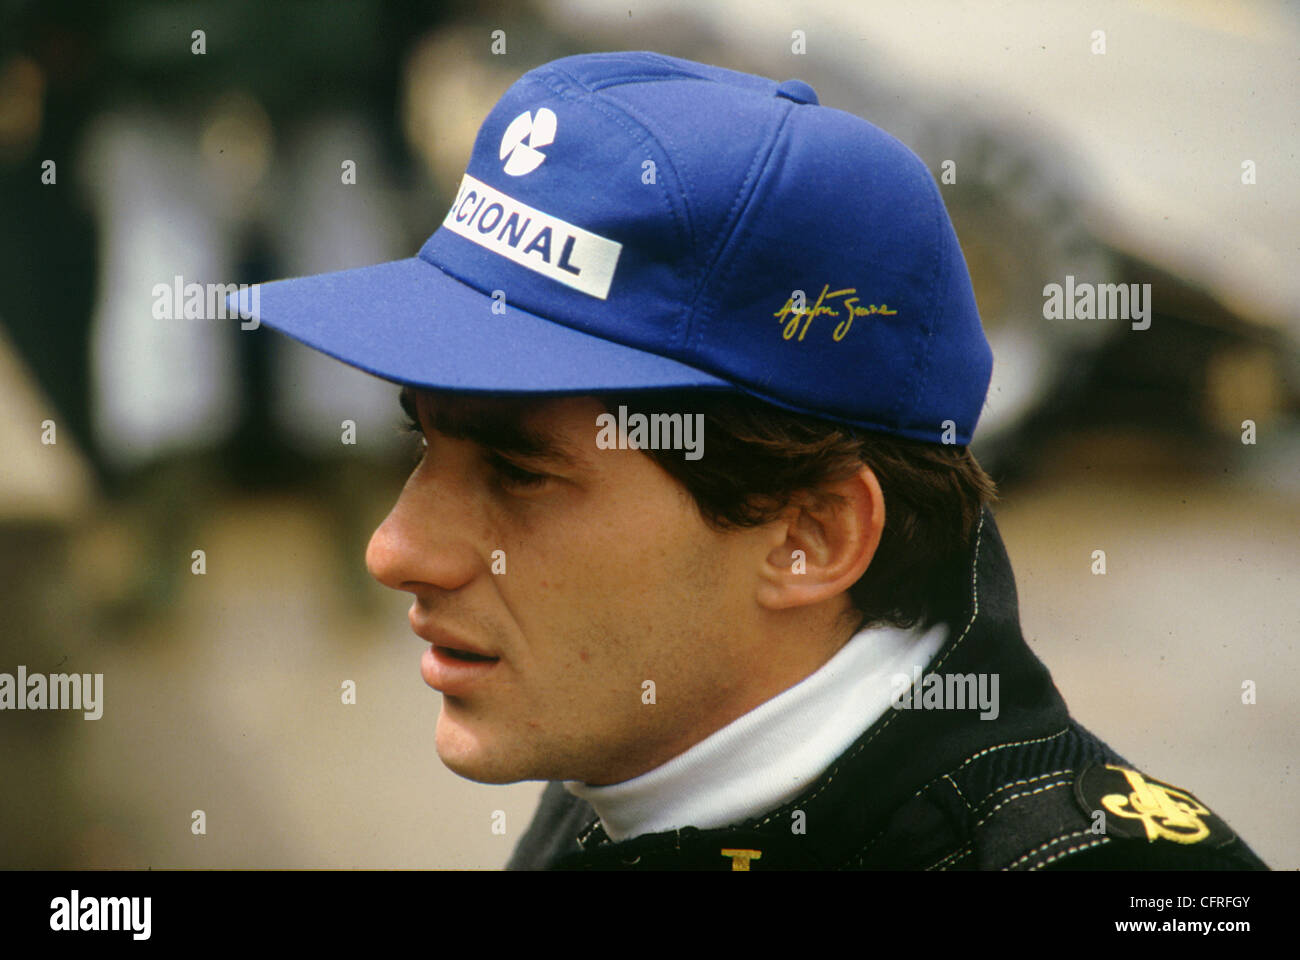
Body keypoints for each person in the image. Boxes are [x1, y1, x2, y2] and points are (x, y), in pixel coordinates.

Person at [231, 50, 1267, 870]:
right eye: (424, 438)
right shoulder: (647, 754)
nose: (395, 548)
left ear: (812, 535)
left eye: (519, 474)